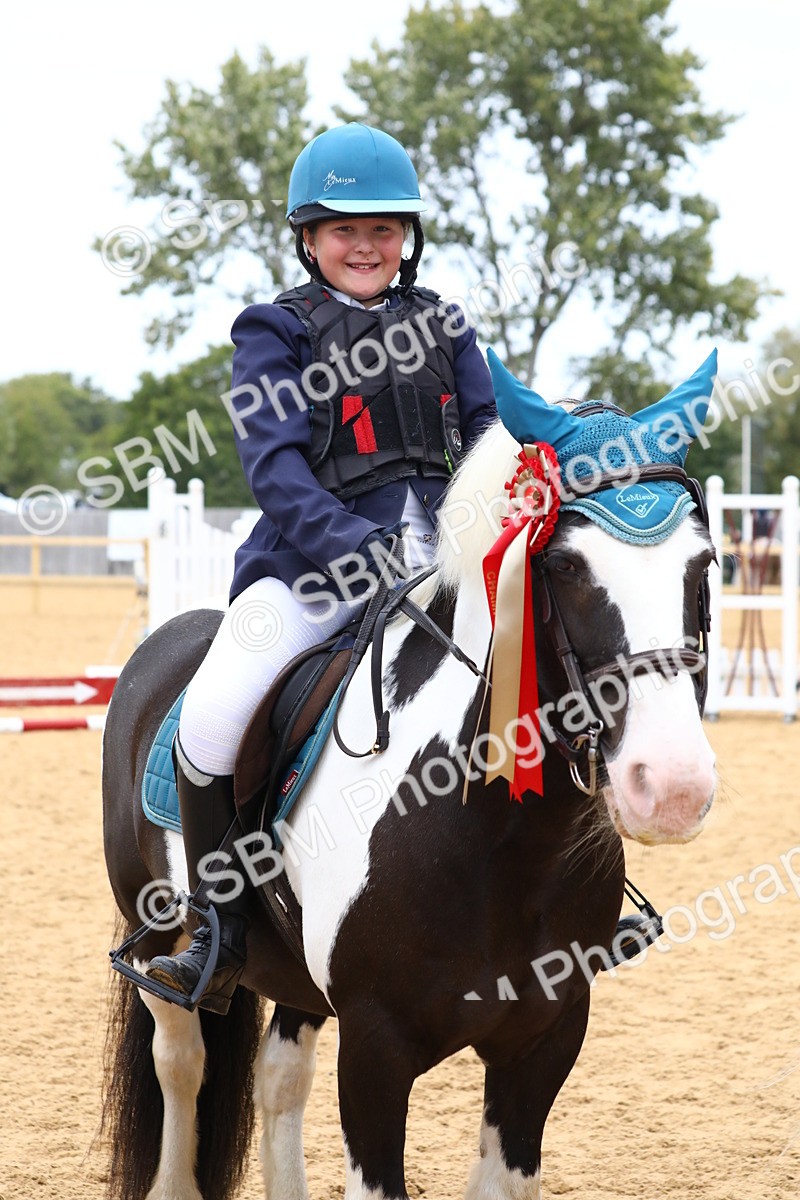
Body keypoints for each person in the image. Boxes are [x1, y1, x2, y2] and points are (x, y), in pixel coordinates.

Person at [145, 123, 498, 1012]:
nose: (367, 245)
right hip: (309, 569)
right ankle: (217, 928)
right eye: (346, 229)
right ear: (309, 237)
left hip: (447, 565)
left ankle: (580, 890)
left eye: (384, 228)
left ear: (406, 238)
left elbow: (490, 438)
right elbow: (276, 471)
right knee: (215, 712)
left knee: (548, 662)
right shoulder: (273, 330)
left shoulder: (447, 327)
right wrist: (358, 548)